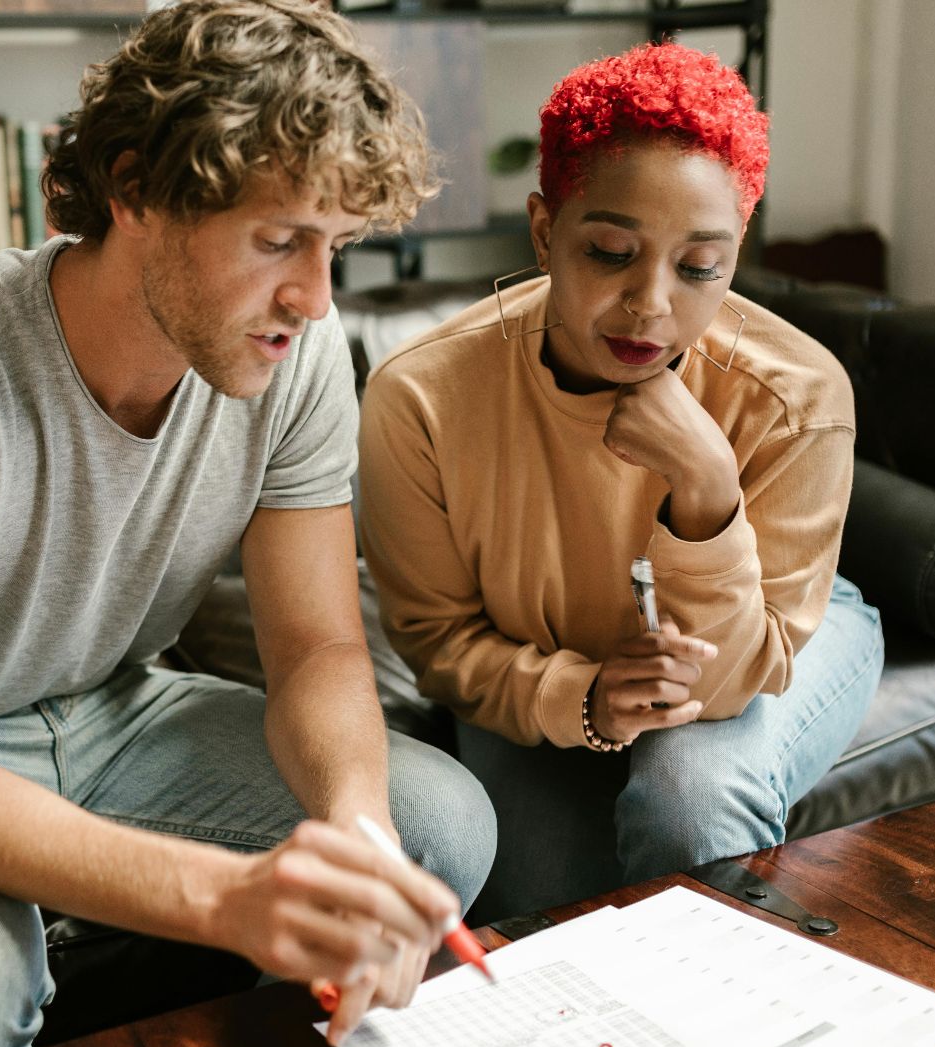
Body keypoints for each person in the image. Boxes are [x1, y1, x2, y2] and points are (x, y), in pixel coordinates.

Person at [0, 1, 497, 1047]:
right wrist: (230, 897)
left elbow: (319, 648)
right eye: (280, 240)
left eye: (334, 247)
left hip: (116, 712)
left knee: (433, 824)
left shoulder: (294, 353)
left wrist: (354, 829)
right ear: (136, 188)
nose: (316, 300)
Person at [357, 42, 883, 911]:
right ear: (542, 231)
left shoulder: (797, 395)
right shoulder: (422, 396)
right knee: (549, 909)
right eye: (608, 251)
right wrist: (585, 697)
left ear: (737, 251)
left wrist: (709, 487)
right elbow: (437, 643)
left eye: (700, 267)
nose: (651, 304)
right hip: (541, 663)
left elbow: (732, 680)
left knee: (690, 798)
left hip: (785, 633)